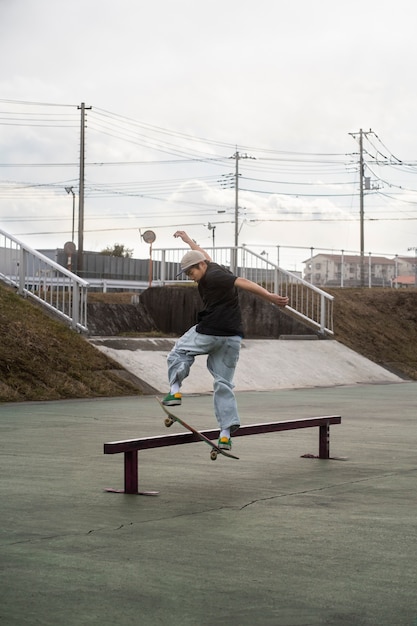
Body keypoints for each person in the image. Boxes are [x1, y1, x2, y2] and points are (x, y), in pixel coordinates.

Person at [162, 230, 289, 451]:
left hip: (210, 331)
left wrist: (269, 297)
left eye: (191, 272)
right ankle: (225, 434)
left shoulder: (214, 276)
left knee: (179, 352)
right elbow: (201, 254)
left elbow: (242, 281)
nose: (190, 277)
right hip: (232, 338)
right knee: (223, 383)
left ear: (200, 267)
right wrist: (187, 240)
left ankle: (175, 390)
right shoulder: (211, 266)